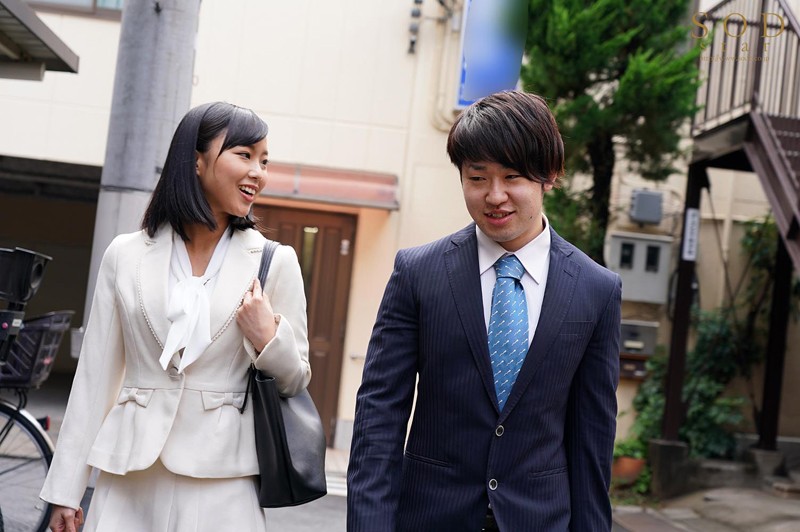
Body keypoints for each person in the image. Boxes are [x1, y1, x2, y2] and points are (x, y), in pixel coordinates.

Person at [347, 90, 621, 531]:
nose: (495, 196)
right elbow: (379, 415)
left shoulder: (596, 289)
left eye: (513, 176)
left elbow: (592, 439)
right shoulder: (418, 273)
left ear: (549, 175)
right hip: (430, 518)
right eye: (478, 178)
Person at [40, 102, 311, 532]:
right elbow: (94, 379)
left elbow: (296, 378)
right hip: (128, 476)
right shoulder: (126, 255)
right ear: (196, 161)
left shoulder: (275, 262)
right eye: (244, 155)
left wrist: (267, 338)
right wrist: (65, 492)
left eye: (264, 161)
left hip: (223, 483)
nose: (258, 172)